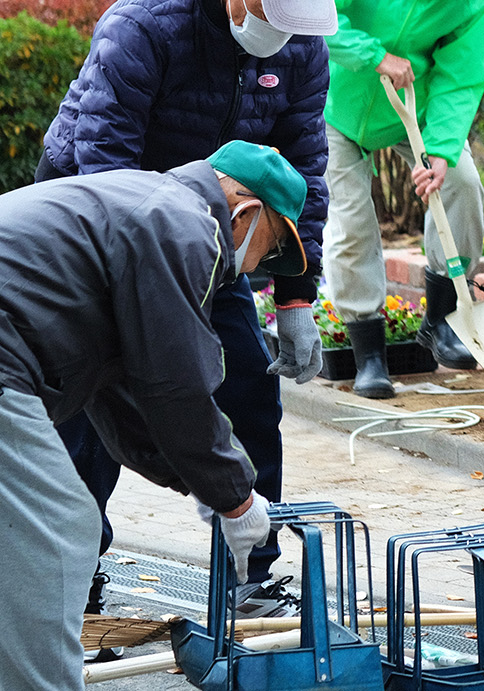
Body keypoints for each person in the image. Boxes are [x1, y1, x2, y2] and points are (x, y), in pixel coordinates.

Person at [39, 0, 337, 628]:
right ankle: (68, 577)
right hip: (94, 225)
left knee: (248, 386)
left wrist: (297, 294)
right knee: (91, 402)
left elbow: (304, 168)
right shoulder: (146, 24)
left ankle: (253, 572)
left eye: (300, 21)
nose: (286, 35)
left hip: (220, 223)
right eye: (275, 14)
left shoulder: (299, 53)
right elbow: (101, 159)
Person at [0, 141, 312, 690]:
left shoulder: (146, 207)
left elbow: (122, 398)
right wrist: (236, 497)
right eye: (268, 250)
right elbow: (176, 387)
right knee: (61, 527)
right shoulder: (182, 227)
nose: (257, 270)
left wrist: (197, 481)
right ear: (244, 214)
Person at [322, 0, 484, 399]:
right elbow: (319, 16)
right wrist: (376, 55)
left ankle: (440, 319)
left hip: (411, 111)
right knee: (353, 222)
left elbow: (461, 76)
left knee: (462, 183)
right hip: (335, 105)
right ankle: (368, 354)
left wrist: (441, 151)